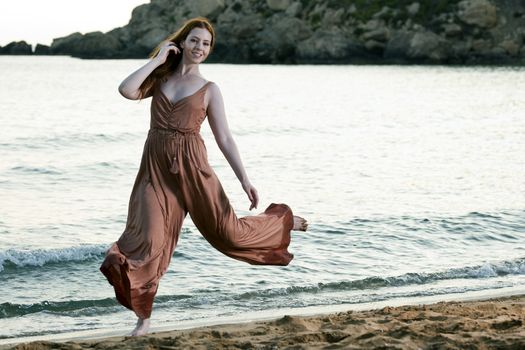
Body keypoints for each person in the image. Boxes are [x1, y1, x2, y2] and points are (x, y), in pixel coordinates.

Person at [99, 17, 308, 336]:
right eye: (194, 40)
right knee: (150, 240)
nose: (200, 48)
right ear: (181, 43)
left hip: (194, 169)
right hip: (155, 171)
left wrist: (244, 179)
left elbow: (224, 138)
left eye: (206, 44)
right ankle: (144, 319)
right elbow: (126, 90)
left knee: (227, 232)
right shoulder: (160, 77)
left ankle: (281, 221)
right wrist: (156, 60)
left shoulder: (210, 89)